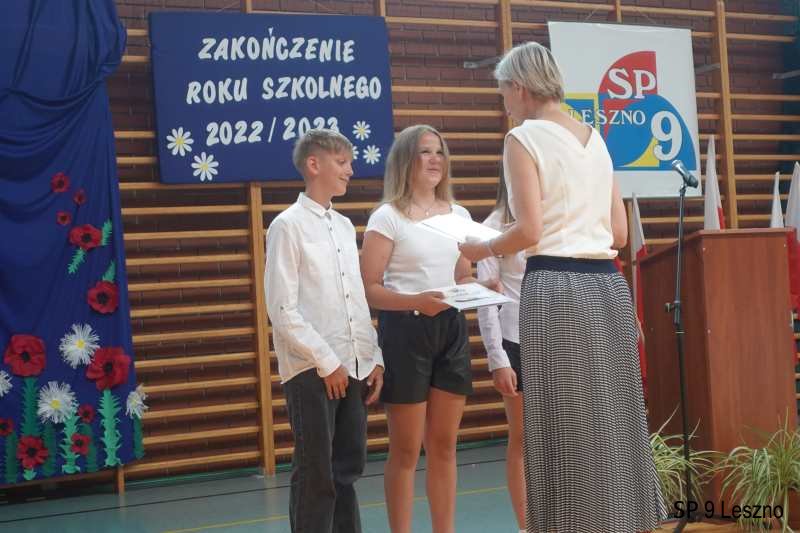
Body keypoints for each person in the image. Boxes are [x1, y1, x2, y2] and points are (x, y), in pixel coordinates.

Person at [459, 42, 665, 532]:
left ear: (520, 87)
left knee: (561, 427)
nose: (504, 104)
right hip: (607, 288)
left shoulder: (522, 138)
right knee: (614, 422)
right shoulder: (596, 138)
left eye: (503, 92)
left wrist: (481, 248)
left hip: (556, 288)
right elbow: (619, 234)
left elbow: (529, 230)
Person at [360, 124, 483, 533]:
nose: (435, 159)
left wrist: (482, 287)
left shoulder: (459, 215)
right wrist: (416, 301)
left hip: (451, 329)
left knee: (444, 445)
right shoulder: (387, 216)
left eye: (440, 152)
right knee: (406, 449)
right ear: (405, 160)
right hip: (404, 331)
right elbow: (370, 289)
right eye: (425, 152)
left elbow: (462, 275)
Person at [264, 128, 384, 533]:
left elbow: (355, 299)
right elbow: (282, 308)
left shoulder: (345, 226)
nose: (350, 170)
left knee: (346, 470)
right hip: (312, 369)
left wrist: (372, 357)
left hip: (352, 366)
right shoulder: (287, 226)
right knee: (316, 472)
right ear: (314, 164)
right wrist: (327, 361)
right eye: (342, 162)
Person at [475, 173, 527, 533]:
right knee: (522, 438)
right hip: (516, 340)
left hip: (555, 338)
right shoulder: (492, 227)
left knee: (561, 437)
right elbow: (486, 300)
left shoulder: (550, 218)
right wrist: (498, 358)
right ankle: (526, 526)